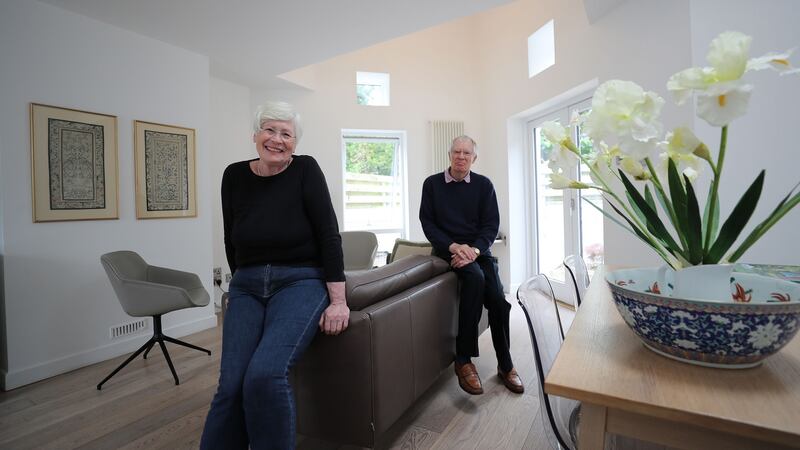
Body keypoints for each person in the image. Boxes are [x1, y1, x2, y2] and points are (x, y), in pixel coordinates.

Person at [200, 101, 350, 450]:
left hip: (300, 280)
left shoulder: (306, 170)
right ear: (255, 134)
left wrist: (339, 301)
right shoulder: (233, 175)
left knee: (264, 375)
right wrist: (239, 284)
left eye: (287, 134)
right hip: (247, 285)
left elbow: (329, 234)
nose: (277, 139)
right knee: (231, 384)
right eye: (270, 129)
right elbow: (230, 236)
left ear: (295, 143)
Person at [419, 135, 523, 396]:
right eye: (457, 151)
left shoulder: (483, 185)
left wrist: (474, 250)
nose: (461, 156)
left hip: (478, 251)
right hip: (447, 252)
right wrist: (454, 247)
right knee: (475, 279)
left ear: (474, 158)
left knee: (499, 301)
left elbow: (490, 225)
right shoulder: (432, 184)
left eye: (467, 153)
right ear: (449, 154)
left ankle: (505, 363)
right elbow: (428, 223)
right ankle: (463, 358)